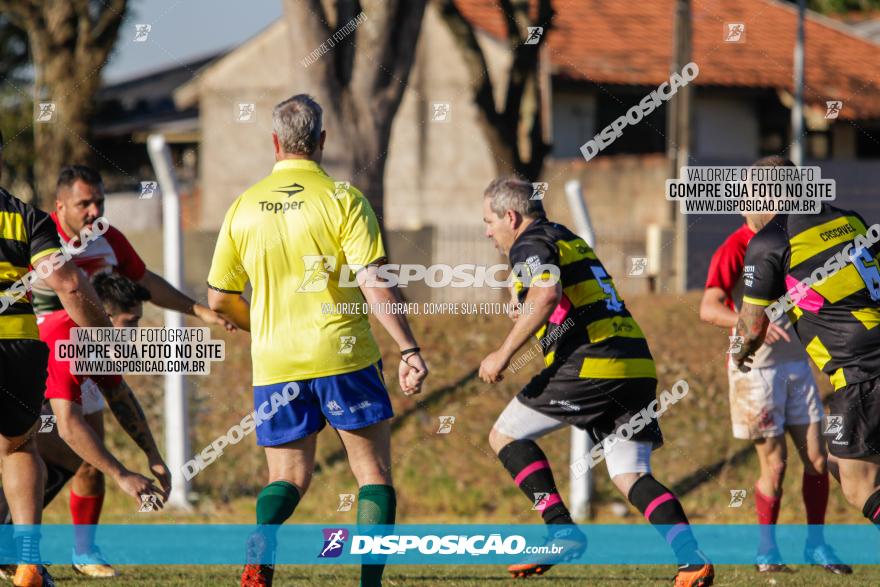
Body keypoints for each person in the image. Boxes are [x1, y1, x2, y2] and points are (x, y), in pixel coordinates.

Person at [206, 94, 428, 587]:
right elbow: (373, 279)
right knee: (372, 473)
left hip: (276, 362)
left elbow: (219, 298)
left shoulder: (243, 207)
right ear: (322, 141)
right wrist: (408, 348)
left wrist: (258, 325)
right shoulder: (344, 199)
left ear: (275, 142)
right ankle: (369, 583)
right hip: (343, 354)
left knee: (286, 477)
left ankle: (262, 544)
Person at [478, 176, 714, 587]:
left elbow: (547, 294)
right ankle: (692, 562)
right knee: (631, 475)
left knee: (505, 435)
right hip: (635, 364)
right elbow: (556, 298)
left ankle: (559, 528)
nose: (486, 231)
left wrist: (503, 353)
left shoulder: (528, 242)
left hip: (591, 362)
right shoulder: (565, 237)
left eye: (488, 221)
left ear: (511, 216)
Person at [24, 164, 234, 578]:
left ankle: (80, 552)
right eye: (85, 203)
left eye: (99, 200)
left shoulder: (108, 242)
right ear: (60, 205)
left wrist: (197, 310)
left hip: (83, 351)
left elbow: (144, 281)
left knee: (83, 458)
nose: (94, 210)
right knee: (48, 456)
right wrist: (125, 474)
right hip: (33, 360)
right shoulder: (39, 239)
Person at [699, 180, 850, 574]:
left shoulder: (796, 237)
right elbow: (709, 308)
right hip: (756, 369)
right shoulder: (736, 246)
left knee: (818, 458)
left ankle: (816, 545)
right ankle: (767, 552)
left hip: (797, 365)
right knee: (776, 465)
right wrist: (752, 325)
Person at [732, 159, 880, 558]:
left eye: (748, 197)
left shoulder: (771, 242)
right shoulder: (849, 218)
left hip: (861, 372)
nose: (745, 208)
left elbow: (751, 326)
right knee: (835, 459)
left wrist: (740, 353)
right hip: (865, 366)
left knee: (858, 486)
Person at [0, 272, 168, 581]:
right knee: (48, 451)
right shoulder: (67, 340)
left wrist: (153, 455)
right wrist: (123, 475)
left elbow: (119, 396)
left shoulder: (93, 338)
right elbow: (68, 426)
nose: (134, 331)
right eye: (129, 322)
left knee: (62, 455)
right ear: (102, 315)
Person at [0, 129, 112, 587]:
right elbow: (67, 283)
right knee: (19, 447)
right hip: (19, 348)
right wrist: (103, 332)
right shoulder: (27, 218)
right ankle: (27, 560)